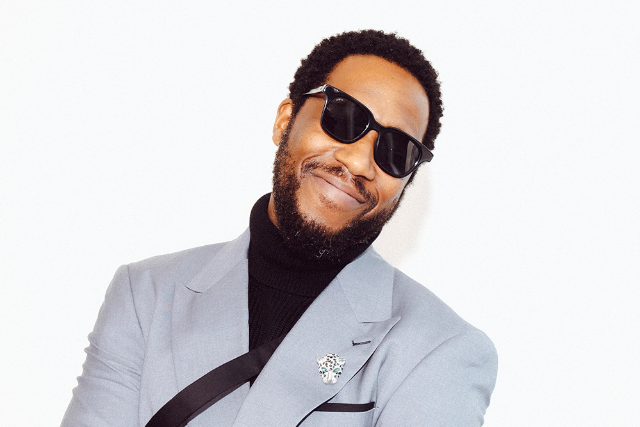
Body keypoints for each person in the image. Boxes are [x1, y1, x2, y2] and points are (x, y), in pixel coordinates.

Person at [61, 30, 498, 427]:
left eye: (396, 151)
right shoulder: (146, 295)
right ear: (285, 120)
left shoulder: (440, 348)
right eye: (344, 117)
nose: (359, 162)